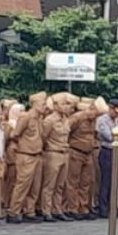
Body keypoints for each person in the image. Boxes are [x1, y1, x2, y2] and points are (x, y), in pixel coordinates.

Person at [7, 91, 48, 224]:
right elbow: (15, 134)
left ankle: (29, 211)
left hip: (37, 155)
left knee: (35, 187)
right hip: (26, 155)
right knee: (22, 185)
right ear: (34, 104)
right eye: (43, 104)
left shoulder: (40, 119)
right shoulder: (25, 117)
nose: (45, 106)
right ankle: (14, 211)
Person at [41, 93, 74, 222]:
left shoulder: (66, 119)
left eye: (68, 104)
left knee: (60, 185)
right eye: (63, 104)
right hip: (53, 152)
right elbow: (44, 136)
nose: (66, 107)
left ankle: (57, 209)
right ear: (55, 106)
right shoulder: (49, 120)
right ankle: (46, 210)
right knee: (50, 185)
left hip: (65, 152)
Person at [96, 98, 118, 217]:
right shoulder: (102, 120)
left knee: (115, 181)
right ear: (110, 108)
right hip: (107, 150)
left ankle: (112, 206)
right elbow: (108, 136)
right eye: (116, 111)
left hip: (117, 150)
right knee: (106, 180)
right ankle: (103, 208)